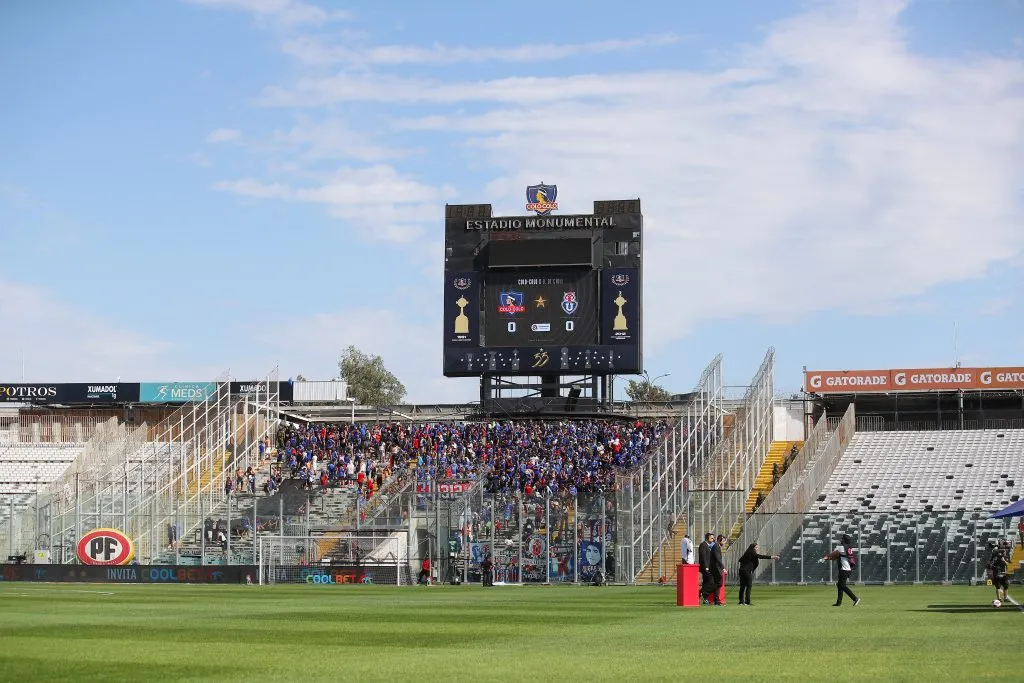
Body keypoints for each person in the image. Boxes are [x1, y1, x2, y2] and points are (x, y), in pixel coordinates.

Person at [823, 534, 860, 607]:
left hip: (844, 569)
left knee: (842, 585)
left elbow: (834, 554)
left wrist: (826, 557)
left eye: (842, 539)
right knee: (839, 585)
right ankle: (838, 602)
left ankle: (855, 598)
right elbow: (836, 557)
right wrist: (827, 559)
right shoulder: (848, 548)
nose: (841, 540)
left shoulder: (841, 547)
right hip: (847, 569)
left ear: (844, 540)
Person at [987, 539, 1011, 605]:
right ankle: (999, 598)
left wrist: (1004, 561)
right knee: (998, 586)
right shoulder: (995, 554)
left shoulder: (1005, 555)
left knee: (1006, 585)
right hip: (996, 571)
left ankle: (1005, 598)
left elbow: (1008, 564)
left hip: (1002, 571)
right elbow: (990, 563)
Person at [698, 533, 716, 605]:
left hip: (709, 567)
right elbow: (703, 557)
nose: (713, 539)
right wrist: (706, 567)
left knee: (706, 583)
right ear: (707, 538)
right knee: (712, 582)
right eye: (711, 538)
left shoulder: (709, 546)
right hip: (705, 568)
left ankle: (705, 599)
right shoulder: (703, 545)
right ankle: (701, 592)